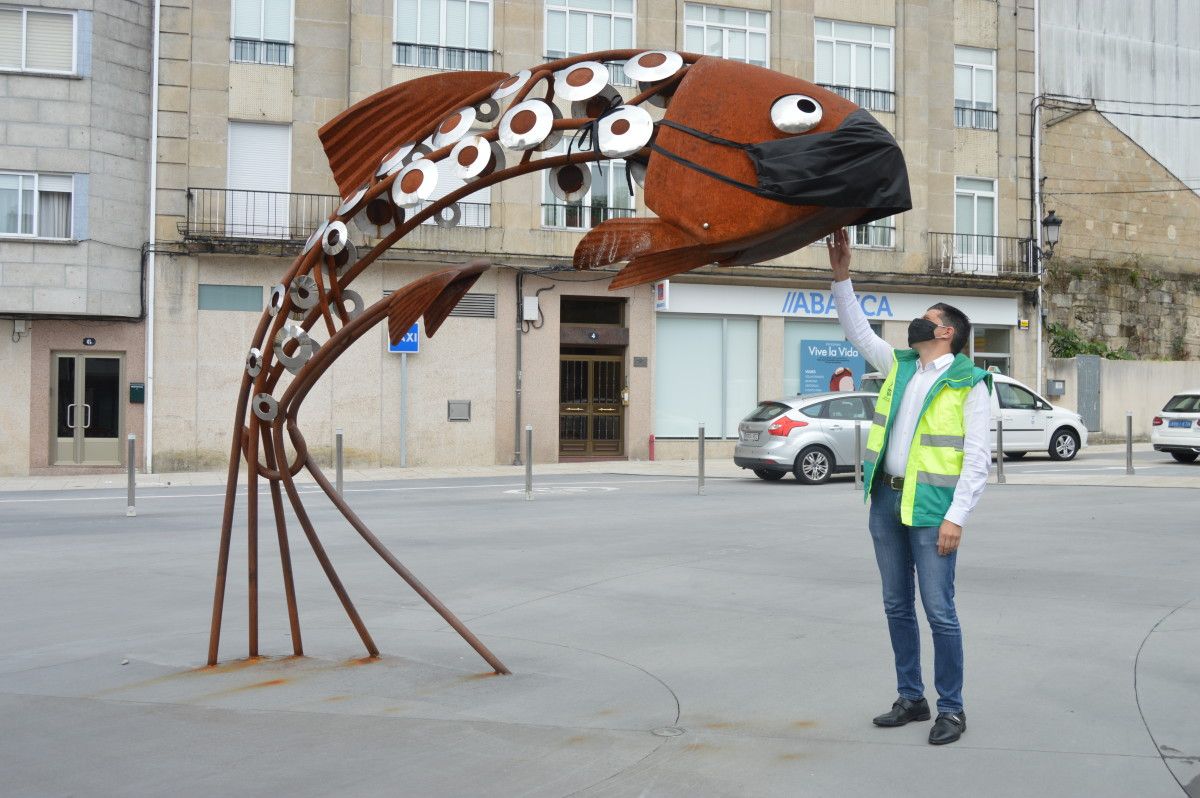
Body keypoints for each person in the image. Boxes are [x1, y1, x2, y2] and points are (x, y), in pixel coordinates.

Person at [826, 228, 992, 745]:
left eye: (931, 318)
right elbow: (858, 332)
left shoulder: (971, 383)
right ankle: (911, 697)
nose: (920, 321)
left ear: (946, 333)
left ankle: (952, 709)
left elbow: (977, 460)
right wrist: (841, 275)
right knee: (896, 605)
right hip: (886, 499)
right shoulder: (900, 366)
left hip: (932, 508)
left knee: (939, 610)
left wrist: (956, 517)